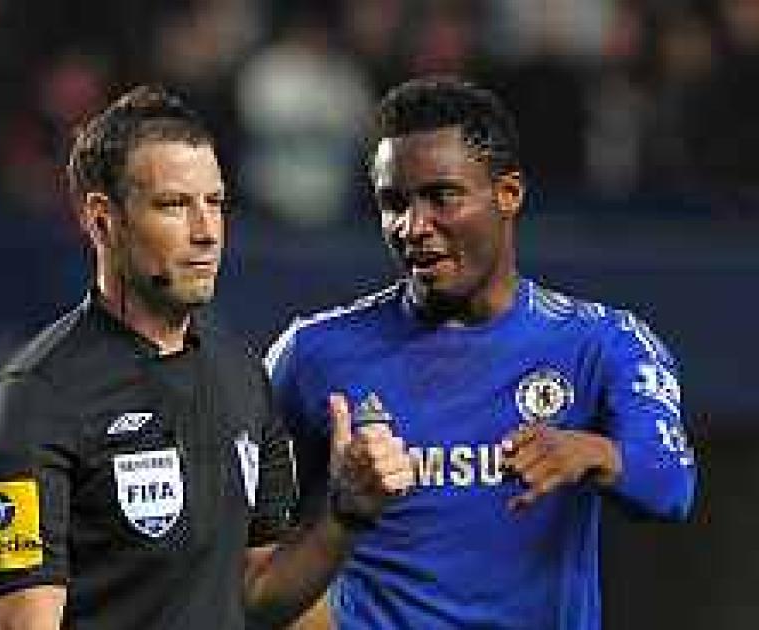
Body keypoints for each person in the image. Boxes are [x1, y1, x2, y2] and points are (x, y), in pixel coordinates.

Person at [0, 85, 414, 630]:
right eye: (174, 205)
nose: (206, 233)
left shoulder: (242, 375)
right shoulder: (38, 393)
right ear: (102, 220)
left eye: (215, 203)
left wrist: (344, 516)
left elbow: (257, 595)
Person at [266, 77, 697, 629]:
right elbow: (243, 559)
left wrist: (591, 452)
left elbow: (671, 486)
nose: (413, 227)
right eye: (394, 203)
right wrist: (339, 515)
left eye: (441, 196)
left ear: (508, 194)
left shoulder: (604, 344)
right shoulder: (311, 355)